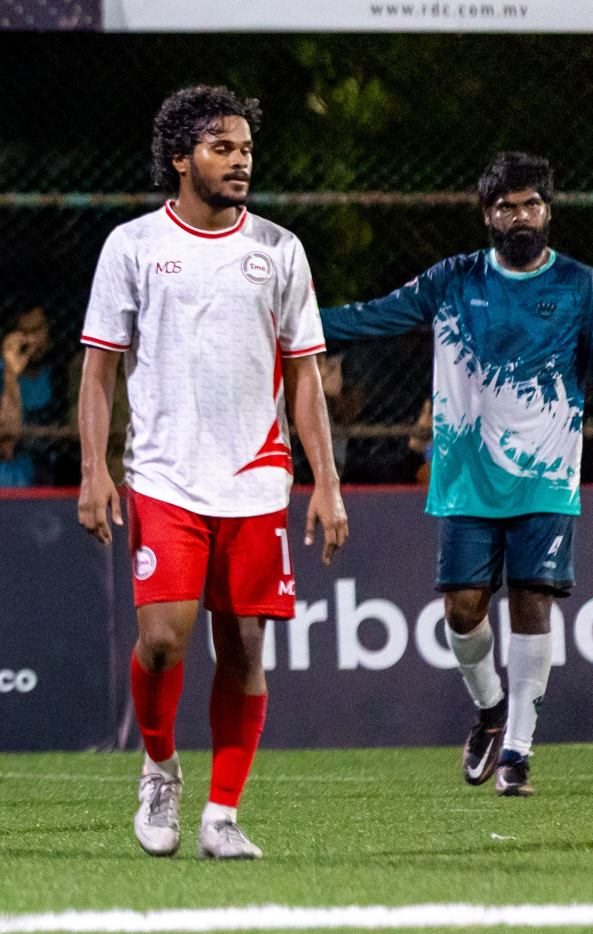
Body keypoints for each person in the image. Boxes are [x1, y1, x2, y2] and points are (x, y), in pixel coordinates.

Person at [77, 86, 347, 860]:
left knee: (245, 650)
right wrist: (96, 468)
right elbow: (99, 368)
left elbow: (304, 375)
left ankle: (223, 815)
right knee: (163, 639)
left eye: (246, 149)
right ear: (180, 157)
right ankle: (160, 770)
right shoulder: (131, 246)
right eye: (222, 148)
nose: (239, 162)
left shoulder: (279, 249)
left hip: (257, 480)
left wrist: (325, 481)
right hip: (164, 475)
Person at [320, 152, 593, 797]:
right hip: (467, 474)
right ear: (487, 215)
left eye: (530, 203)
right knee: (462, 610)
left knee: (532, 601)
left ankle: (519, 751)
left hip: (548, 471)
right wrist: (289, 322)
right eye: (505, 206)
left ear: (548, 209)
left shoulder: (581, 286)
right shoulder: (453, 279)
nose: (519, 215)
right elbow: (371, 317)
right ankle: (491, 710)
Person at [0, 303, 64, 487]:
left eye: (38, 330)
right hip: (3, 480)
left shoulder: (58, 373)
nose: (33, 340)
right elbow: (6, 438)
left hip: (49, 477)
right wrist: (11, 372)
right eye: (25, 333)